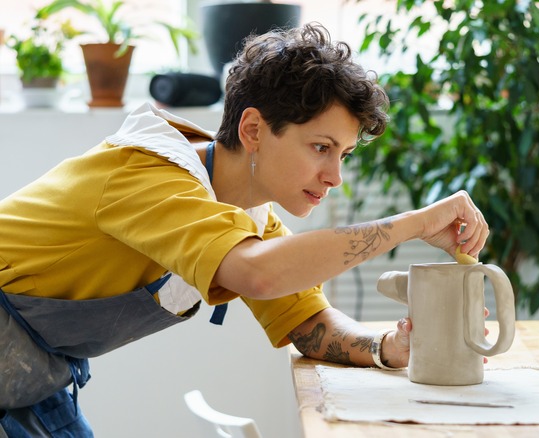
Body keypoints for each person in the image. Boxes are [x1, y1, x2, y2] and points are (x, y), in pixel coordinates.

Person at [0, 23, 488, 436]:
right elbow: (259, 275)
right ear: (253, 130)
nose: (335, 177)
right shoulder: (146, 176)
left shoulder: (246, 214)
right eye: (321, 147)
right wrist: (414, 224)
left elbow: (307, 322)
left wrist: (388, 347)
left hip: (27, 378)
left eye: (343, 154)